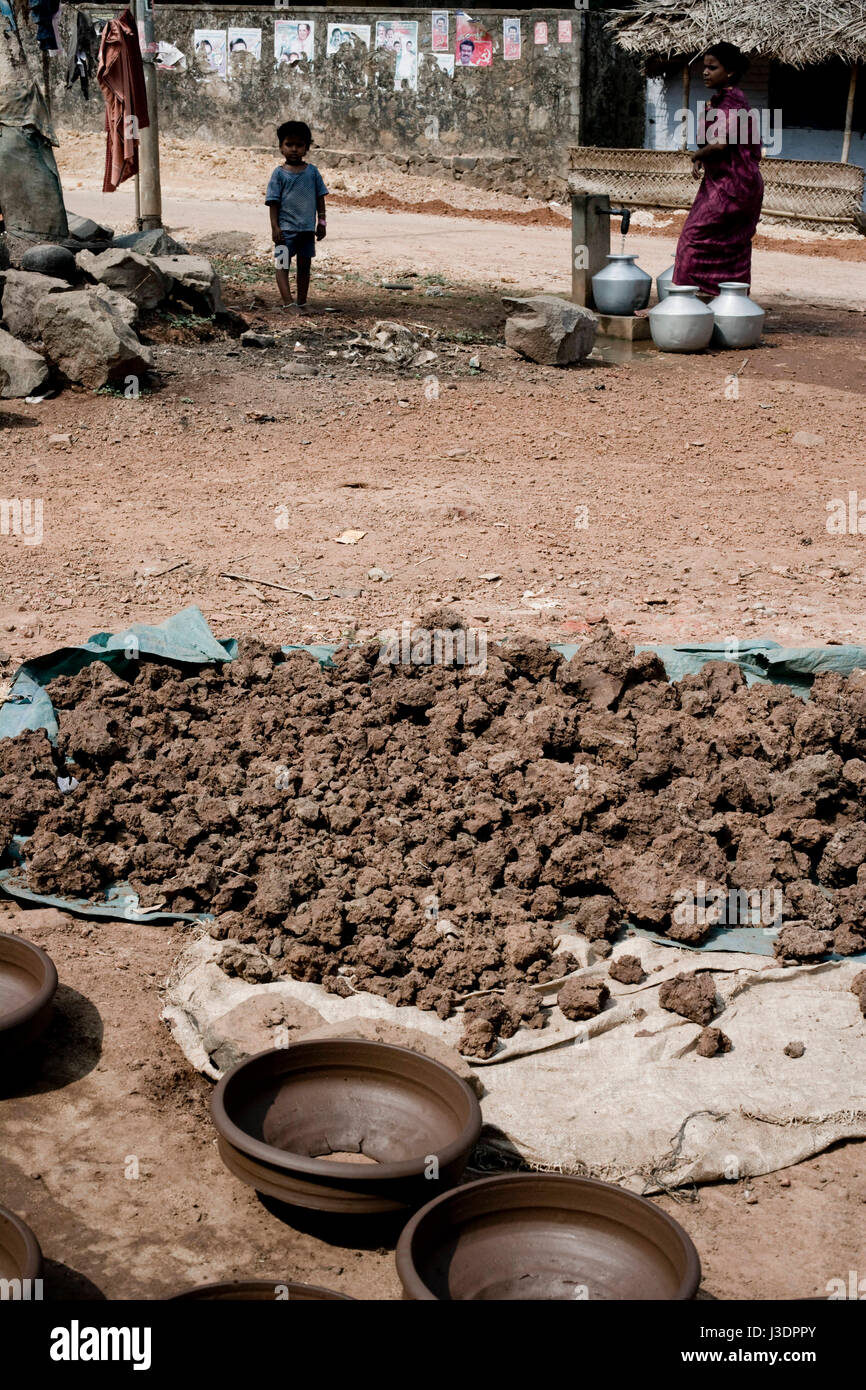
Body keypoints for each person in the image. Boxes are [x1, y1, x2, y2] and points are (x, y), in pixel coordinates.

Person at [673, 42, 764, 298]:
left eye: (712, 68)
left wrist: (697, 155)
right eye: (704, 67)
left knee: (693, 239)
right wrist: (706, 155)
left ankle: (682, 305)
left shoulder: (731, 101)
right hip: (736, 183)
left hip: (732, 187)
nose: (705, 72)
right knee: (731, 247)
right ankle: (727, 306)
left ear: (730, 72)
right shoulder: (724, 100)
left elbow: (721, 145)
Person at [266, 120, 328, 310]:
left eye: (299, 145)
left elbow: (320, 198)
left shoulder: (313, 172)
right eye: (289, 144)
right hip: (285, 233)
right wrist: (275, 227)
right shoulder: (279, 175)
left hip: (307, 231)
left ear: (307, 147)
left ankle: (302, 301)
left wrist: (322, 222)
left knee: (304, 266)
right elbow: (273, 202)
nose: (294, 149)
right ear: (280, 147)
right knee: (282, 265)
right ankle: (287, 303)